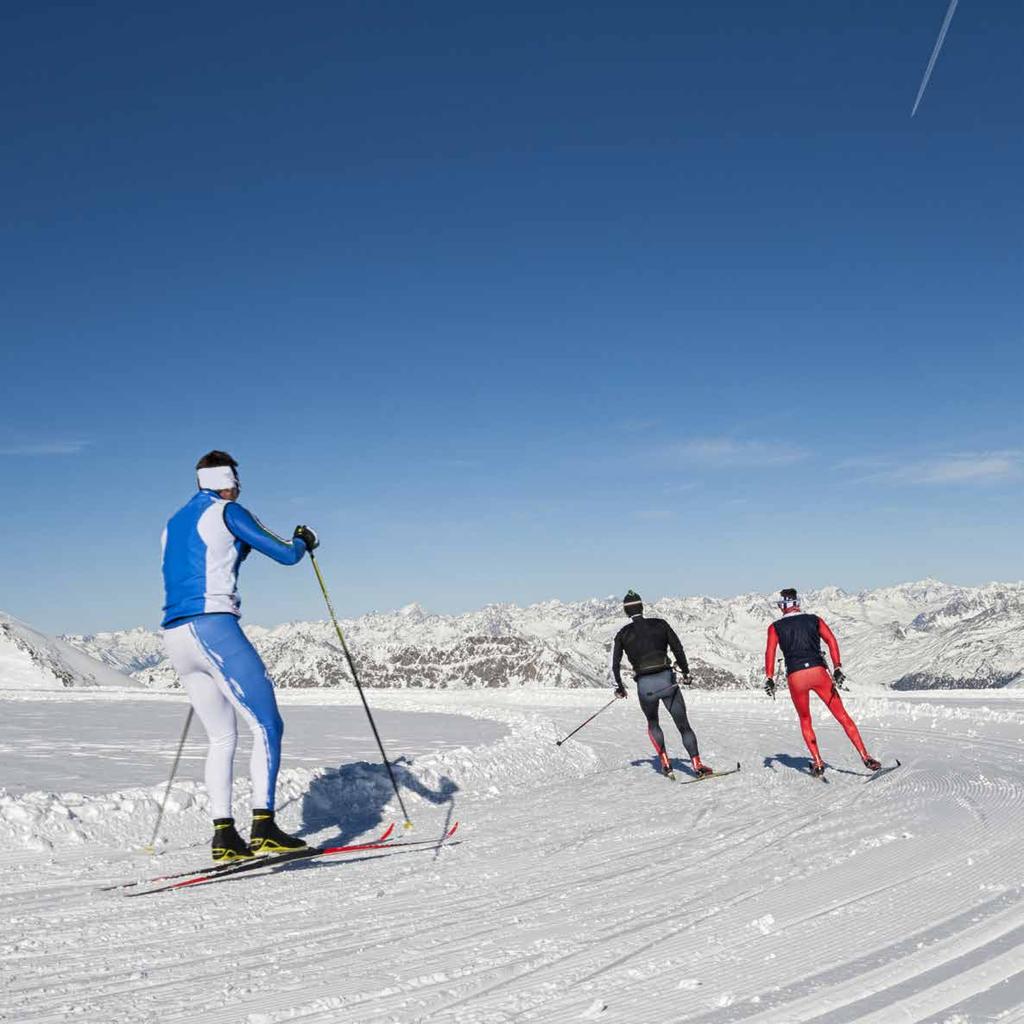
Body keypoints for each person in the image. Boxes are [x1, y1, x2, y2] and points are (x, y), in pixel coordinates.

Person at [161, 450, 320, 861]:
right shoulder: (229, 510)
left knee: (221, 736)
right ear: (228, 480)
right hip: (214, 627)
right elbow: (285, 554)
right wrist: (304, 540)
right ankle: (264, 827)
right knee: (267, 725)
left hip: (176, 635)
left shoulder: (173, 522)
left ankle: (224, 835)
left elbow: (212, 558)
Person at [764, 588, 881, 777]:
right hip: (819, 673)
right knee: (842, 716)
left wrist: (769, 677)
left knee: (805, 720)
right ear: (798, 603)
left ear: (782, 606)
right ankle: (866, 757)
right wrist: (837, 667)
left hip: (796, 677)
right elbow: (831, 641)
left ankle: (817, 763)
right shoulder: (814, 620)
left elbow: (770, 652)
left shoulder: (775, 627)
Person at [611, 590, 712, 779]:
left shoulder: (623, 634)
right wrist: (686, 672)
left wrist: (619, 686)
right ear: (642, 607)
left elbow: (614, 665)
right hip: (667, 682)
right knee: (683, 726)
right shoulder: (660, 624)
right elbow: (678, 648)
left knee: (653, 723)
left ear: (626, 612)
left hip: (645, 687)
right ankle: (697, 765)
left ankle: (665, 763)